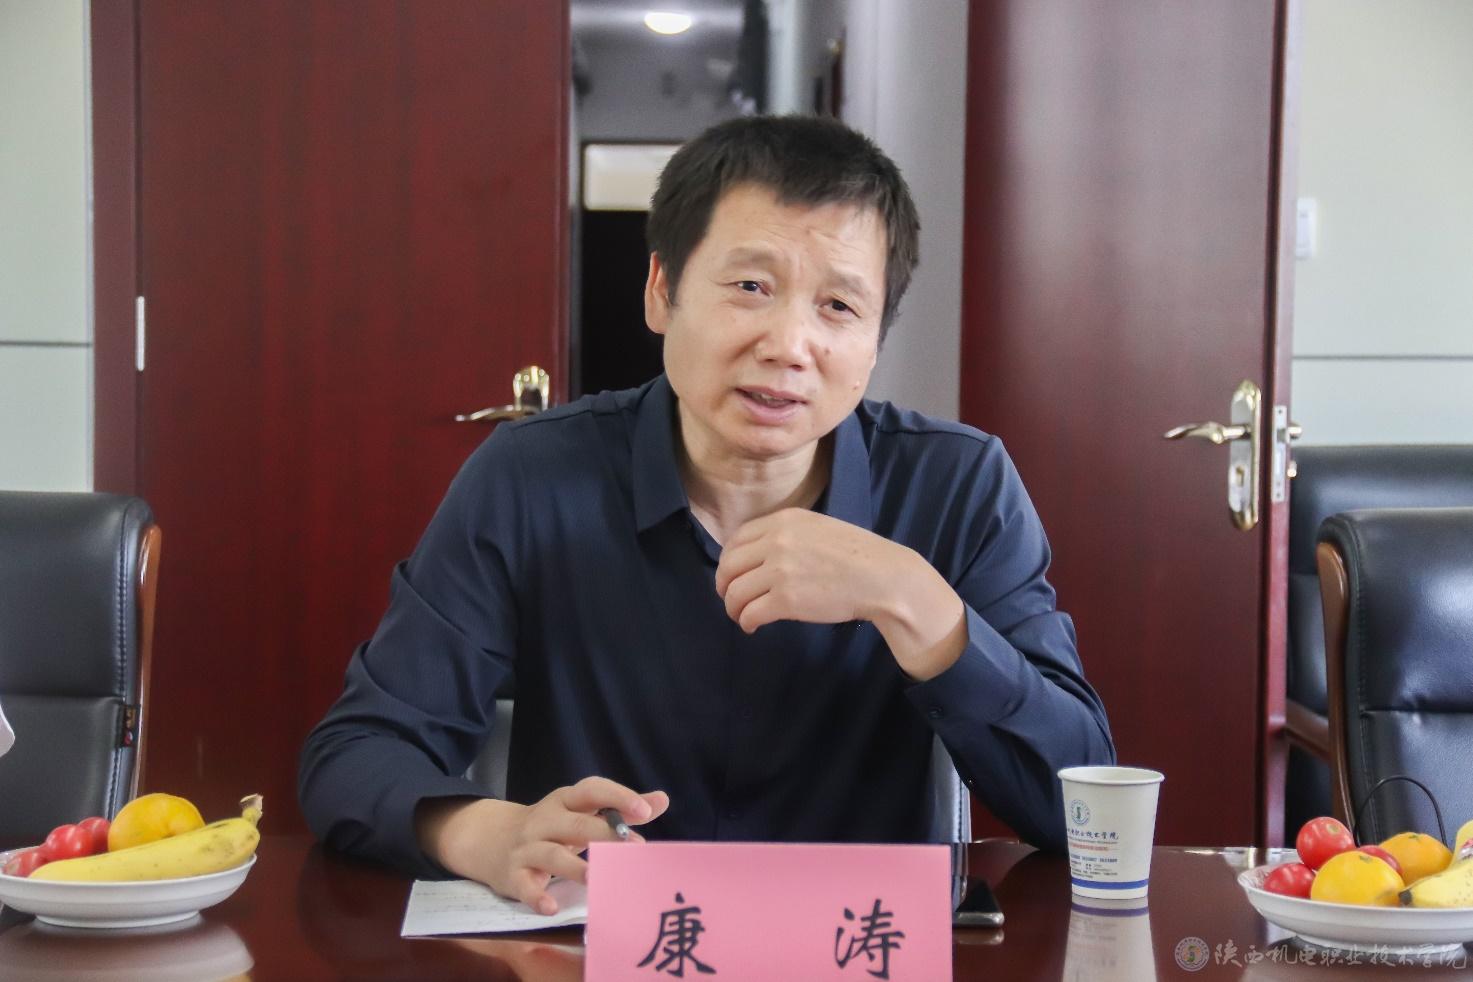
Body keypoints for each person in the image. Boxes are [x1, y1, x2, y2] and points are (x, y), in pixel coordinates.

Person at [299, 115, 1114, 916]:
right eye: (751, 287)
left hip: (855, 951)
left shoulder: (956, 487)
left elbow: (1084, 816)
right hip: (599, 950)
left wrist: (918, 604)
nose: (788, 345)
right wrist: (487, 833)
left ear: (874, 339)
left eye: (838, 306)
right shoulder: (531, 476)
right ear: (662, 291)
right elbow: (358, 751)